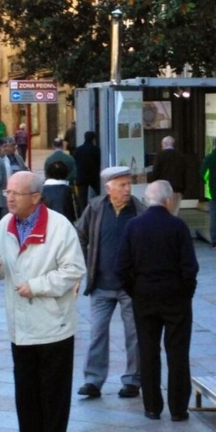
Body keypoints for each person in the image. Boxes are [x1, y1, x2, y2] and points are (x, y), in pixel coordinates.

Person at [0, 171, 86, 432]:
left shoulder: (59, 227)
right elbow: (3, 267)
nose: (10, 198)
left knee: (52, 394)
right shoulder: (4, 225)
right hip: (20, 325)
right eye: (8, 192)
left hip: (52, 324)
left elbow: (74, 270)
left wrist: (38, 285)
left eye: (17, 193)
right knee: (25, 392)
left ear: (36, 197)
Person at [116, 180, 199, 421]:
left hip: (144, 298)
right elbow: (190, 267)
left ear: (147, 199)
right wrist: (186, 292)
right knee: (178, 354)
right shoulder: (178, 226)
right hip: (176, 298)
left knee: (148, 352)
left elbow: (121, 268)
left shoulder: (133, 226)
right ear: (169, 200)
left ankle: (152, 406)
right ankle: (178, 408)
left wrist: (135, 290)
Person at [75, 166, 146, 399]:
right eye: (122, 185)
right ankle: (93, 381)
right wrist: (87, 264)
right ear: (109, 188)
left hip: (130, 286)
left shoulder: (139, 210)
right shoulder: (95, 207)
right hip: (101, 284)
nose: (127, 189)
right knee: (97, 333)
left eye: (129, 184)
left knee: (133, 334)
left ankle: (133, 380)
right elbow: (79, 234)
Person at [74, 131, 102, 210]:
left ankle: (83, 213)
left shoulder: (78, 149)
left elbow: (75, 161)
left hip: (81, 176)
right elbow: (98, 162)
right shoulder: (96, 149)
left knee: (82, 198)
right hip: (94, 175)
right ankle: (98, 208)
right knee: (99, 192)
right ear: (93, 139)